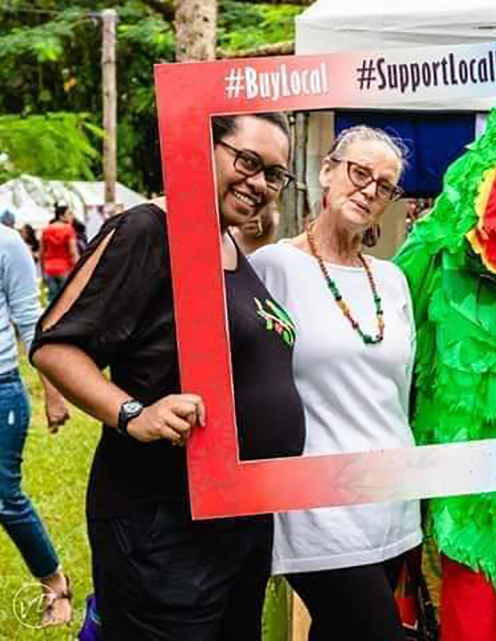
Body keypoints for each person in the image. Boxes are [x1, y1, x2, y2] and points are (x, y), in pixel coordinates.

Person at [31, 112, 305, 639]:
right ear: (202, 148)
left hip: (237, 522)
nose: (259, 184)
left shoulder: (229, 247)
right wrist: (133, 414)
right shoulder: (149, 228)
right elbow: (56, 345)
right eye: (248, 161)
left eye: (274, 174)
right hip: (163, 524)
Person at [250, 125, 420, 641]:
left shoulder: (392, 280)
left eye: (384, 184)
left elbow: (399, 394)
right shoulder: (273, 267)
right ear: (327, 171)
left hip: (393, 503)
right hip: (317, 506)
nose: (369, 190)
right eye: (359, 173)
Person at [0, 222, 73, 626]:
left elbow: (31, 323)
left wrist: (53, 392)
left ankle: (54, 581)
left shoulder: (8, 243)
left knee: (3, 495)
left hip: (2, 389)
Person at [39, 204, 79, 301]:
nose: (72, 216)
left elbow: (41, 252)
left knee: (52, 300)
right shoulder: (69, 229)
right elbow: (73, 252)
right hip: (65, 269)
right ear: (61, 216)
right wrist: (79, 268)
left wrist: (42, 270)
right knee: (65, 300)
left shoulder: (46, 230)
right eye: (69, 214)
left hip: (49, 270)